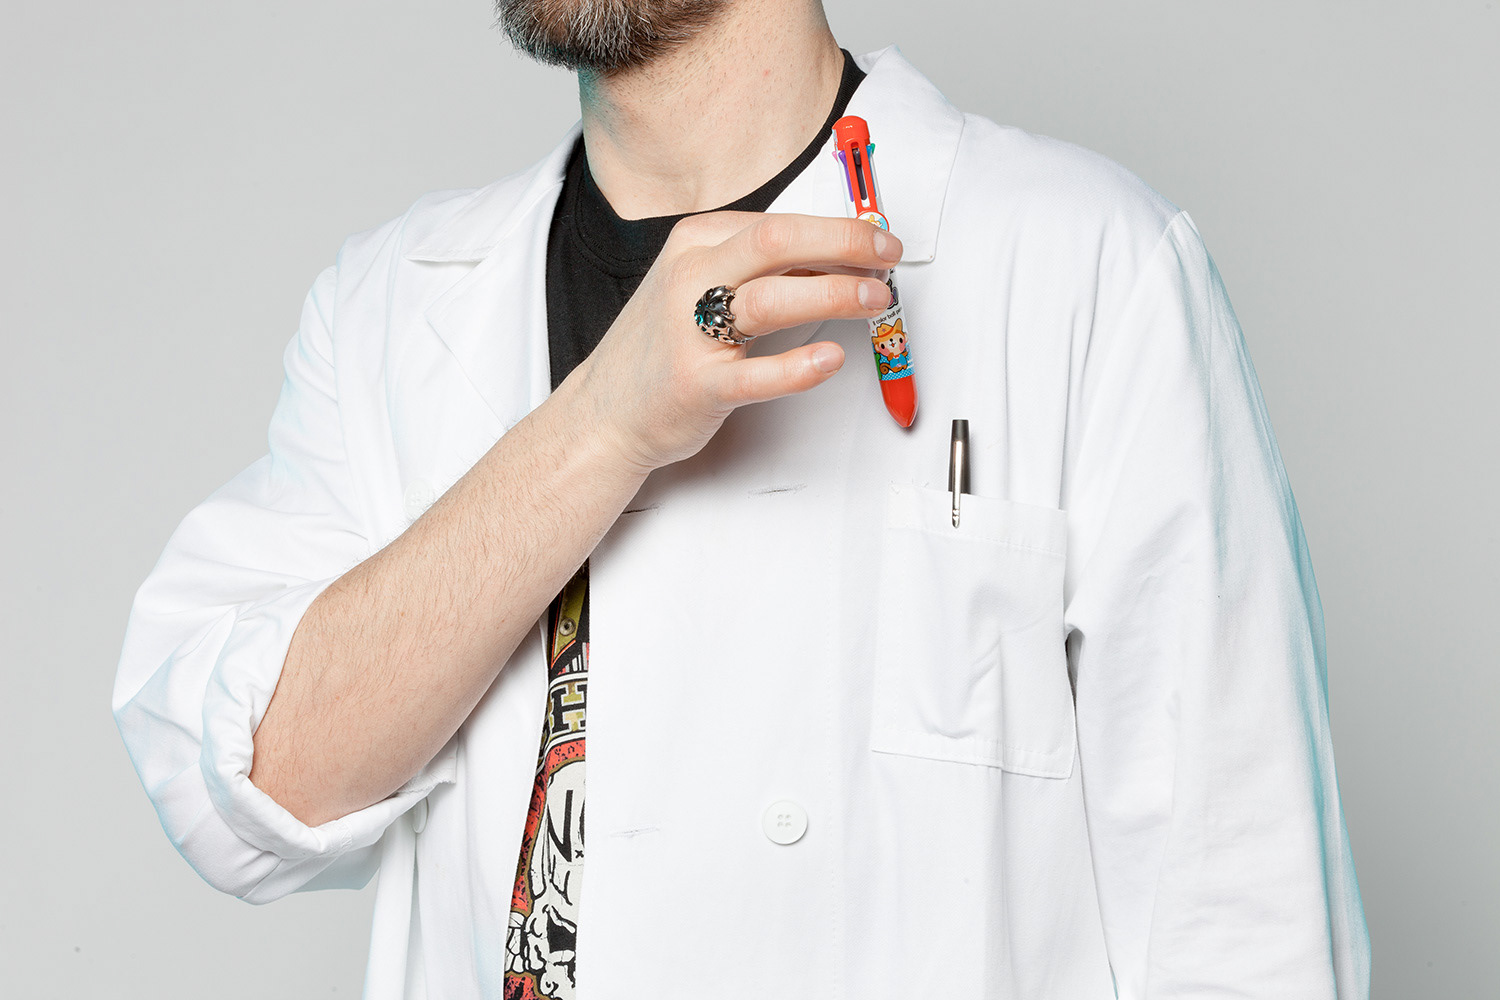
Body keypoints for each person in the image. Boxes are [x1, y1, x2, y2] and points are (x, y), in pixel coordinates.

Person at [111, 1, 1371, 997]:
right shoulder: (394, 302)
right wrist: (602, 424)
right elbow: (247, 789)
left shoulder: (1084, 265)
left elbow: (1244, 925)